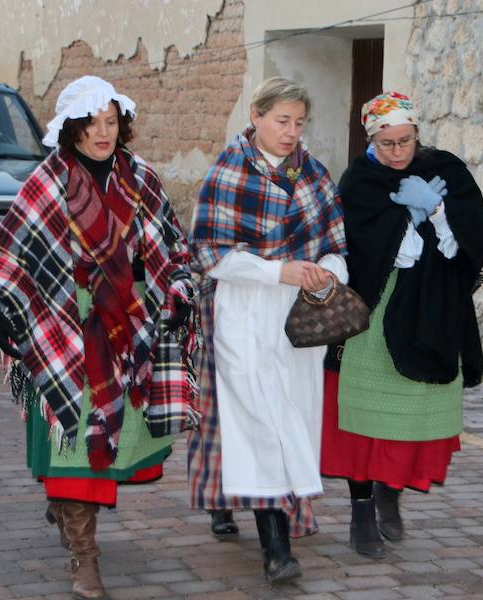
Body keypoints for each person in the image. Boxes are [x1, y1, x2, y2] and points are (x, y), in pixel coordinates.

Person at [0, 76, 199, 600]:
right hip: (64, 322)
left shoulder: (142, 178)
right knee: (73, 443)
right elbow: (6, 251)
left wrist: (179, 289)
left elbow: (173, 246)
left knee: (109, 441)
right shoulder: (45, 182)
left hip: (129, 321)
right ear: (71, 128)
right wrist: (0, 302)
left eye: (112, 122)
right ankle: (85, 559)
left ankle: (66, 508)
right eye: (92, 123)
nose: (103, 133)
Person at [320, 91, 483, 558]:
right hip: (373, 311)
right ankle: (361, 514)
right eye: (386, 143)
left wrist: (437, 211)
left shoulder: (448, 170)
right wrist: (405, 220)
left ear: (418, 134)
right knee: (360, 421)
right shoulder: (359, 178)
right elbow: (355, 241)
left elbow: (477, 233)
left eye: (406, 141)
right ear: (370, 139)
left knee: (413, 415)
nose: (397, 152)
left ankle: (389, 493)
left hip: (433, 307)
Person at [187, 76, 347, 583]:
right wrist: (278, 270)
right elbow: (210, 256)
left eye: (299, 122)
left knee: (293, 417)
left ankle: (282, 518)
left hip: (298, 318)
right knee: (258, 423)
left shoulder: (316, 175)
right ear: (255, 116)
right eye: (282, 120)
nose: (291, 132)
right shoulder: (227, 172)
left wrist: (328, 273)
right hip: (244, 312)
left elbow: (336, 242)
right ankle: (276, 550)